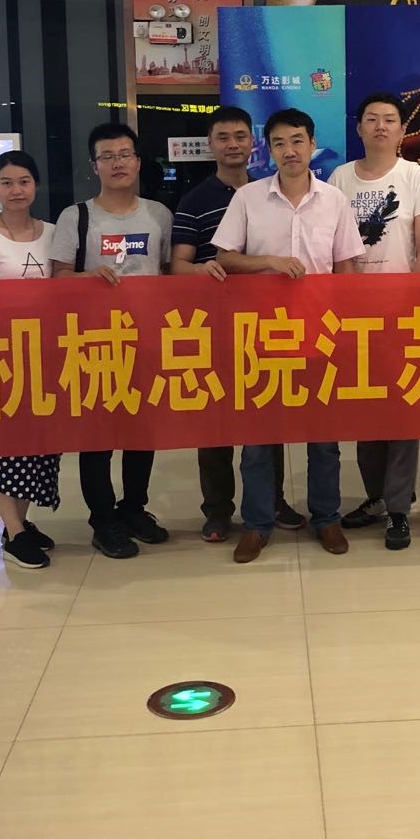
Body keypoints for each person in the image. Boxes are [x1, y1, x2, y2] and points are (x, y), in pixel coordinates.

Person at [213, 108, 364, 563]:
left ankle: (327, 518)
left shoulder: (334, 200)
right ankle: (257, 525)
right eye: (279, 143)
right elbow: (225, 258)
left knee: (324, 438)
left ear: (312, 145)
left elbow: (345, 266)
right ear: (269, 150)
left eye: (297, 141)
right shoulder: (249, 198)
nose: (290, 150)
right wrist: (269, 262)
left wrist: (347, 327)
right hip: (262, 335)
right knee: (259, 440)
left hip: (320, 333)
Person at [170, 105, 303, 541]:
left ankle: (271, 502)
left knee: (266, 418)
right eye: (223, 137)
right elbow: (177, 265)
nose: (232, 145)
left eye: (240, 136)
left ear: (253, 143)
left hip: (266, 325)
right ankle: (218, 511)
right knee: (215, 422)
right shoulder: (194, 200)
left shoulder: (273, 192)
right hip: (213, 326)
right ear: (210, 145)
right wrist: (201, 269)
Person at [50, 123, 173, 560]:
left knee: (142, 430)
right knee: (98, 434)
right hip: (94, 340)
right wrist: (88, 278)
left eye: (125, 154)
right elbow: (58, 278)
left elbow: (165, 273)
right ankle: (103, 520)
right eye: (107, 156)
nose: (117, 163)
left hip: (146, 339)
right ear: (94, 166)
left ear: (138, 162)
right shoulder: (76, 217)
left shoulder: (159, 214)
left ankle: (134, 508)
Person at [330, 92, 420, 550]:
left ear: (401, 129)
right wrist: (350, 298)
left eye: (389, 119)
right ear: (359, 128)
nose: (380, 126)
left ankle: (398, 509)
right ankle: (376, 495)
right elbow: (336, 246)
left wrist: (413, 301)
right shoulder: (339, 178)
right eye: (371, 118)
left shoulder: (416, 177)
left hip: (402, 311)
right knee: (365, 407)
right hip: (355, 312)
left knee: (402, 409)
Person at [0, 150, 63, 570]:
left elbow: (65, 292)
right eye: (6, 183)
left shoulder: (54, 232)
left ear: (36, 185)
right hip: (1, 351)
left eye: (24, 181)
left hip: (47, 351)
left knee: (38, 442)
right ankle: (15, 534)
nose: (16, 190)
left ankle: (18, 526)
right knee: (3, 443)